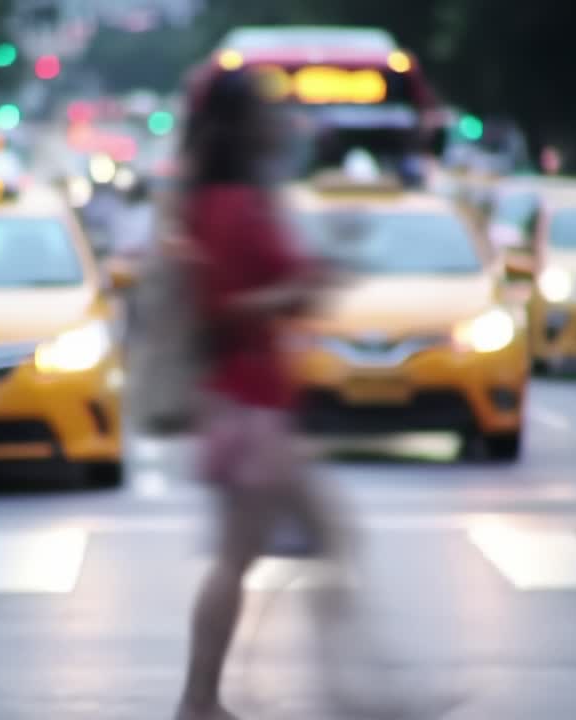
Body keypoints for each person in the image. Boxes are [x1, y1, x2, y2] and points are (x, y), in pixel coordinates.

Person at [174, 68, 360, 720]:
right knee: (249, 554)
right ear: (240, 124)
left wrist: (312, 276)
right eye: (264, 111)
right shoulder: (230, 202)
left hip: (248, 400)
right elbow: (223, 305)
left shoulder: (231, 196)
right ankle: (206, 699)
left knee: (308, 542)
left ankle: (349, 692)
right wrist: (296, 290)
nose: (275, 122)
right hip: (247, 402)